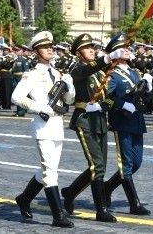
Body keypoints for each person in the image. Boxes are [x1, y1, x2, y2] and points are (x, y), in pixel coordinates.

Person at [12, 31, 76, 228]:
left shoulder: (57, 74)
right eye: (45, 47)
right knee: (50, 172)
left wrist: (70, 86)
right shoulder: (31, 75)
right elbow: (16, 97)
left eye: (51, 46)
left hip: (57, 125)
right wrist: (40, 108)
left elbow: (69, 100)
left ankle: (24, 199)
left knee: (48, 170)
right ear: (36, 51)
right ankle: (58, 215)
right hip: (43, 125)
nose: (50, 49)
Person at [60, 33, 119, 223]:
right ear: (78, 53)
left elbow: (110, 94)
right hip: (84, 120)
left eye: (93, 47)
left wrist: (105, 105)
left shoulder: (101, 73)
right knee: (97, 166)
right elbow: (85, 72)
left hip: (100, 120)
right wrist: (107, 59)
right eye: (87, 48)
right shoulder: (76, 69)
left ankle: (70, 192)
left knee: (98, 166)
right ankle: (100, 210)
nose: (92, 50)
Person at [103, 33, 153, 216]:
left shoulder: (134, 72)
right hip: (122, 122)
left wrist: (148, 86)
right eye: (122, 48)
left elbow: (146, 99)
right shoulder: (111, 74)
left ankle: (107, 187)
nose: (127, 50)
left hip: (137, 121)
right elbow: (103, 97)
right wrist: (122, 104)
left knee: (136, 163)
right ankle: (134, 203)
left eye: (127, 47)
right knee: (126, 164)